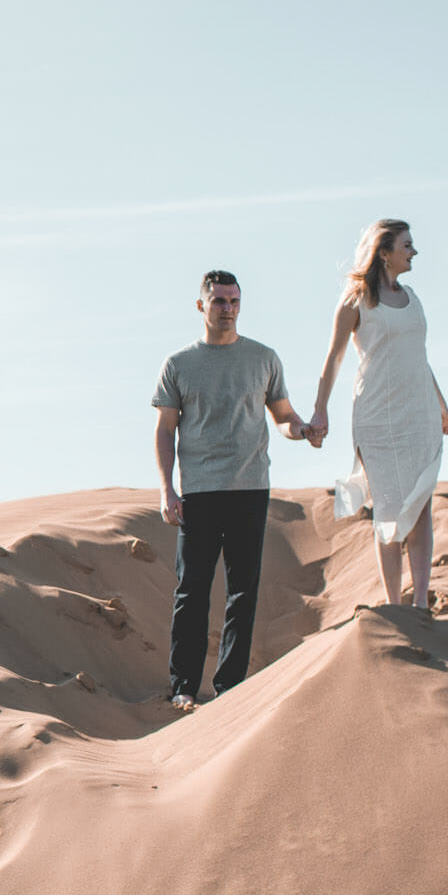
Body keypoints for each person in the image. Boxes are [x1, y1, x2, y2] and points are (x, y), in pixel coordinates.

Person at [152, 270, 310, 711]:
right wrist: (168, 489)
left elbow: (282, 416)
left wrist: (302, 430)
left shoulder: (263, 358)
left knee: (244, 590)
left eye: (234, 301)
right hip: (199, 492)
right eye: (219, 301)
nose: (227, 308)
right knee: (192, 590)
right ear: (201, 305)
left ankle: (230, 689)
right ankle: (183, 685)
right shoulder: (178, 364)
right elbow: (165, 430)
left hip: (250, 489)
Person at [305, 220, 448, 608]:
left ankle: (420, 602)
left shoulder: (414, 298)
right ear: (384, 251)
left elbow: (420, 359)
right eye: (408, 245)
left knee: (421, 503)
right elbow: (333, 360)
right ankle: (393, 602)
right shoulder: (356, 301)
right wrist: (320, 411)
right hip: (378, 416)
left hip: (419, 413)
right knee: (388, 507)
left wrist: (441, 405)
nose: (415, 252)